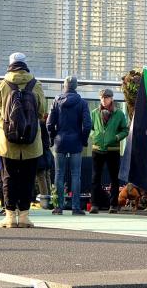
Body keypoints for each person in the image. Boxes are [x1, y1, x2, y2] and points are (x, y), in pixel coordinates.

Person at [0, 52, 46, 228]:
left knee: (8, 177)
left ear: (10, 64)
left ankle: (9, 217)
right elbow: (42, 110)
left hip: (7, 142)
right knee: (28, 178)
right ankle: (24, 216)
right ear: (25, 64)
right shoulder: (36, 84)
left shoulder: (2, 84)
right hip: (31, 142)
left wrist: (6, 126)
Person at [47, 76, 92, 216]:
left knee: (59, 174)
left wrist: (53, 138)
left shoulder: (56, 101)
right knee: (76, 175)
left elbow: (49, 124)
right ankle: (76, 207)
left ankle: (58, 207)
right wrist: (83, 140)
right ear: (76, 86)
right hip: (75, 141)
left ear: (65, 86)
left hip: (60, 141)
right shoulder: (82, 102)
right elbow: (87, 125)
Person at [89, 88, 128, 214]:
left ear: (111, 98)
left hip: (113, 149)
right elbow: (89, 128)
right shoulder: (94, 112)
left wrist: (116, 137)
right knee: (96, 177)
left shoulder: (119, 114)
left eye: (106, 97)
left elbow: (125, 130)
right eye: (101, 98)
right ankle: (94, 204)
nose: (103, 100)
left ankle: (113, 205)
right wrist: (94, 135)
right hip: (97, 148)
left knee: (114, 178)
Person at [35, 116, 53, 208]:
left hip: (40, 153)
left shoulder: (38, 124)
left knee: (41, 176)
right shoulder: (46, 125)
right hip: (46, 152)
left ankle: (45, 200)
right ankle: (49, 199)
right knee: (46, 175)